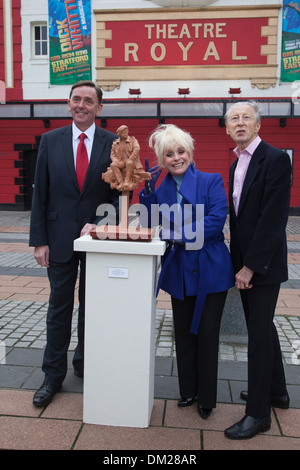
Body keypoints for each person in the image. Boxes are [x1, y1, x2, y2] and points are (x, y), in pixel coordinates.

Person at [29, 80, 119, 407]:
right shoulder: (51, 141)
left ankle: (85, 362)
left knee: (93, 306)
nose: (81, 105)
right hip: (58, 238)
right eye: (76, 99)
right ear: (69, 104)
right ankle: (52, 375)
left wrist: (104, 223)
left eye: (88, 101)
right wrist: (39, 240)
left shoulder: (114, 143)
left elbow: (119, 193)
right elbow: (41, 192)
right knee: (59, 308)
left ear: (99, 108)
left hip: (96, 239)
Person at [139, 124, 234, 419]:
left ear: (190, 153)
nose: (176, 158)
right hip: (179, 269)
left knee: (207, 334)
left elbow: (217, 219)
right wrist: (146, 192)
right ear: (161, 159)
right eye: (169, 154)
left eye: (181, 151)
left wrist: (179, 234)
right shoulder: (162, 187)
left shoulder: (210, 180)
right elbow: (147, 220)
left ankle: (206, 397)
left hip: (210, 267)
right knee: (183, 333)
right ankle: (187, 391)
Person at [225, 101, 291, 440]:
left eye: (245, 117)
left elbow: (273, 220)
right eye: (233, 118)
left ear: (258, 124)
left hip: (262, 265)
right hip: (246, 261)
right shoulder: (235, 163)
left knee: (257, 338)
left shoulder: (275, 159)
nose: (239, 123)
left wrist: (250, 267)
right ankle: (277, 392)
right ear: (227, 128)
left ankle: (257, 415)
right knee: (262, 328)